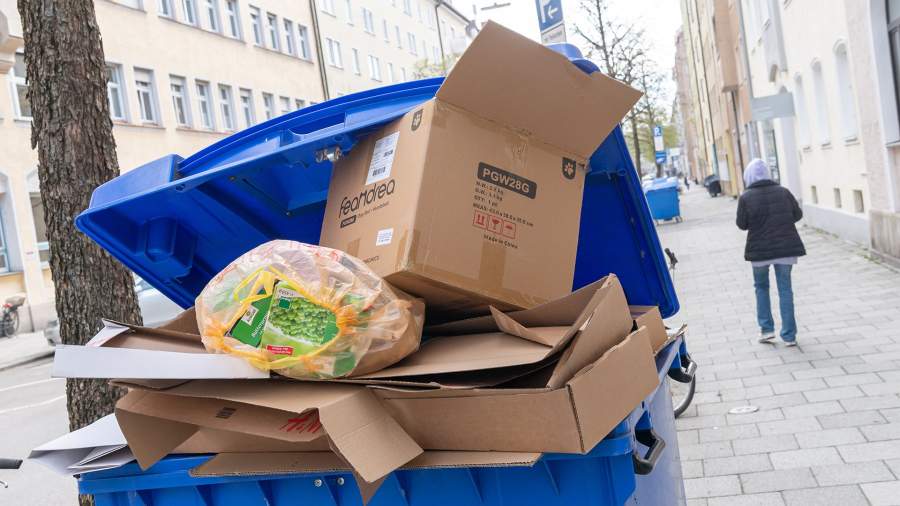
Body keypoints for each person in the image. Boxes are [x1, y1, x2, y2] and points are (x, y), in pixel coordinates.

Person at [736, 159, 805, 346]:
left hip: (759, 252)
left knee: (761, 288)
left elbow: (742, 225)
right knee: (785, 290)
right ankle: (789, 336)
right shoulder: (783, 192)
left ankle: (766, 330)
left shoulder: (746, 197)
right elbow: (797, 215)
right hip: (786, 249)